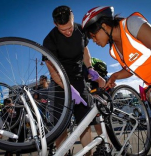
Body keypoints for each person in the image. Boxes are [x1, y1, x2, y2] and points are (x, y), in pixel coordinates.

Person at [43, 5, 106, 156]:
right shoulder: (49, 40)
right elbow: (52, 70)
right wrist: (67, 87)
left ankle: (88, 154)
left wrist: (90, 67)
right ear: (55, 24)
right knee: (61, 126)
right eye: (63, 30)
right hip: (60, 82)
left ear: (73, 19)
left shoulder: (80, 30)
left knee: (84, 123)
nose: (68, 32)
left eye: (70, 27)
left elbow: (85, 51)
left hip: (79, 78)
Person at [82, 6, 151, 118]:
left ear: (104, 26)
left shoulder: (131, 24)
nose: (94, 41)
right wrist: (115, 76)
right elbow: (132, 69)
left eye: (94, 36)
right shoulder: (114, 50)